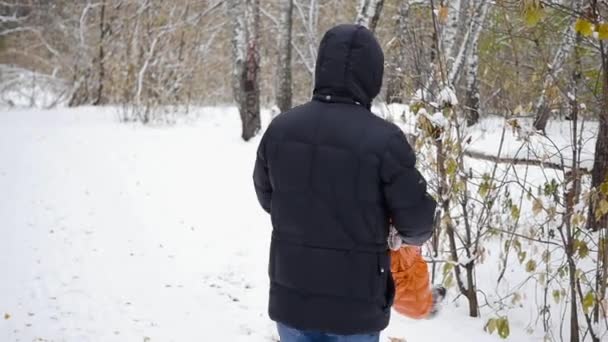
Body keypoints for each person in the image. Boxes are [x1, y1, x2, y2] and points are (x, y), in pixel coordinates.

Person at [253, 24, 437, 342]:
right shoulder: (385, 140)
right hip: (356, 308)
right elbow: (418, 223)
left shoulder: (280, 130)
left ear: (322, 67)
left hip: (292, 299)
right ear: (372, 75)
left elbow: (268, 196)